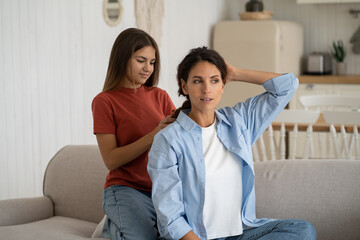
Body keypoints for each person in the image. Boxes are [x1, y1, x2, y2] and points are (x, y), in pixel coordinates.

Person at [147, 47, 317, 240]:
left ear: (223, 85)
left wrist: (235, 73)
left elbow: (288, 86)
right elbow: (170, 217)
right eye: (197, 81)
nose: (206, 89)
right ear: (184, 87)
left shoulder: (239, 122)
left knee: (302, 230)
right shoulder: (169, 139)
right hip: (195, 238)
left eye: (214, 80)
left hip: (240, 234)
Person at [92, 28, 176, 240]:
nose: (148, 68)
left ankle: (112, 227)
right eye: (141, 60)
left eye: (152, 62)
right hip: (126, 189)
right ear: (122, 58)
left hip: (160, 191)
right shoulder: (105, 101)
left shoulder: (160, 96)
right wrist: (154, 134)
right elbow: (111, 160)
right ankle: (117, 219)